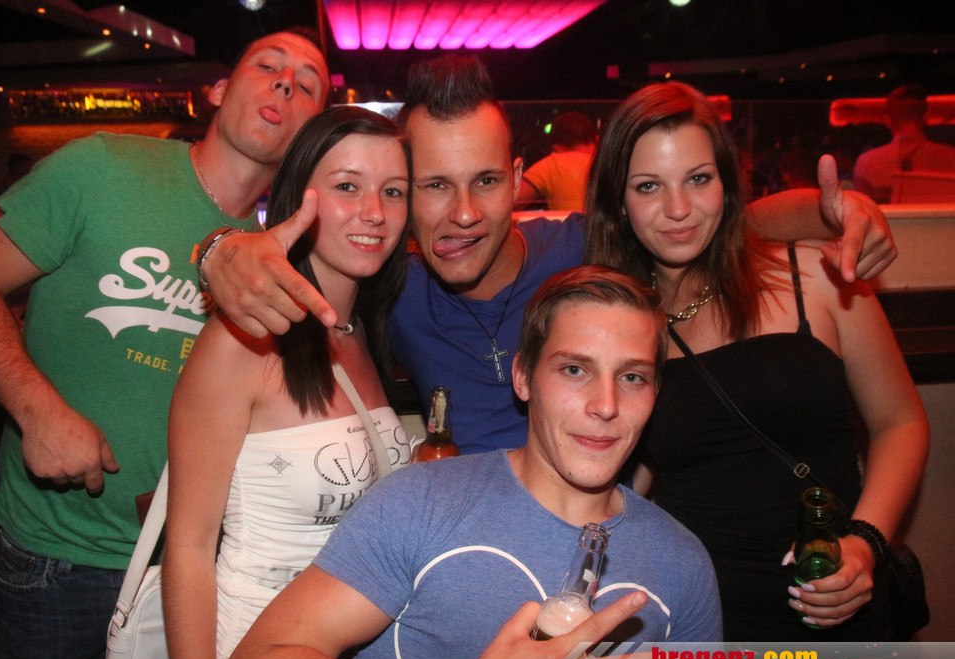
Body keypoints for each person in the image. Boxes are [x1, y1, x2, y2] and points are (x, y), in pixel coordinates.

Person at [200, 55, 897, 456]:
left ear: (518, 179)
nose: (464, 213)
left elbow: (714, 223)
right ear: (403, 193)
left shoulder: (588, 250)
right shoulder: (391, 286)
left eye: (485, 182)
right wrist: (219, 251)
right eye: (434, 186)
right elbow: (295, 257)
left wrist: (838, 209)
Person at [0, 29, 329, 659]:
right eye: (268, 66)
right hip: (62, 559)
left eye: (307, 84)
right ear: (218, 91)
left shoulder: (277, 257)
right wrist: (38, 411)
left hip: (196, 570)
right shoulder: (104, 167)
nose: (286, 82)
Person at [222, 266, 721, 659]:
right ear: (523, 377)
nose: (606, 405)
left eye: (632, 377)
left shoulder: (682, 563)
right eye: (574, 370)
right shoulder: (421, 503)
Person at [585, 81, 929, 641]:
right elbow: (634, 470)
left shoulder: (815, 277)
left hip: (838, 604)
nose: (678, 209)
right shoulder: (620, 323)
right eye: (648, 186)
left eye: (699, 179)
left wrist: (866, 544)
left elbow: (901, 422)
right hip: (702, 619)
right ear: (619, 203)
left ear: (726, 183)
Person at [162, 105, 414, 659]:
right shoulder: (242, 340)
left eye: (394, 192)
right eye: (347, 186)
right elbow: (190, 548)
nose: (375, 212)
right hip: (247, 653)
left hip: (345, 656)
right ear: (299, 196)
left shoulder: (362, 330)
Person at [853, 84, 955, 203]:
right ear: (925, 117)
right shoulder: (951, 157)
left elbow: (862, 209)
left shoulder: (867, 162)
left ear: (888, 119)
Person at [516, 110, 597, 212]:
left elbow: (511, 200)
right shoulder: (604, 162)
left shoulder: (553, 163)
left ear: (556, 147)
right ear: (594, 139)